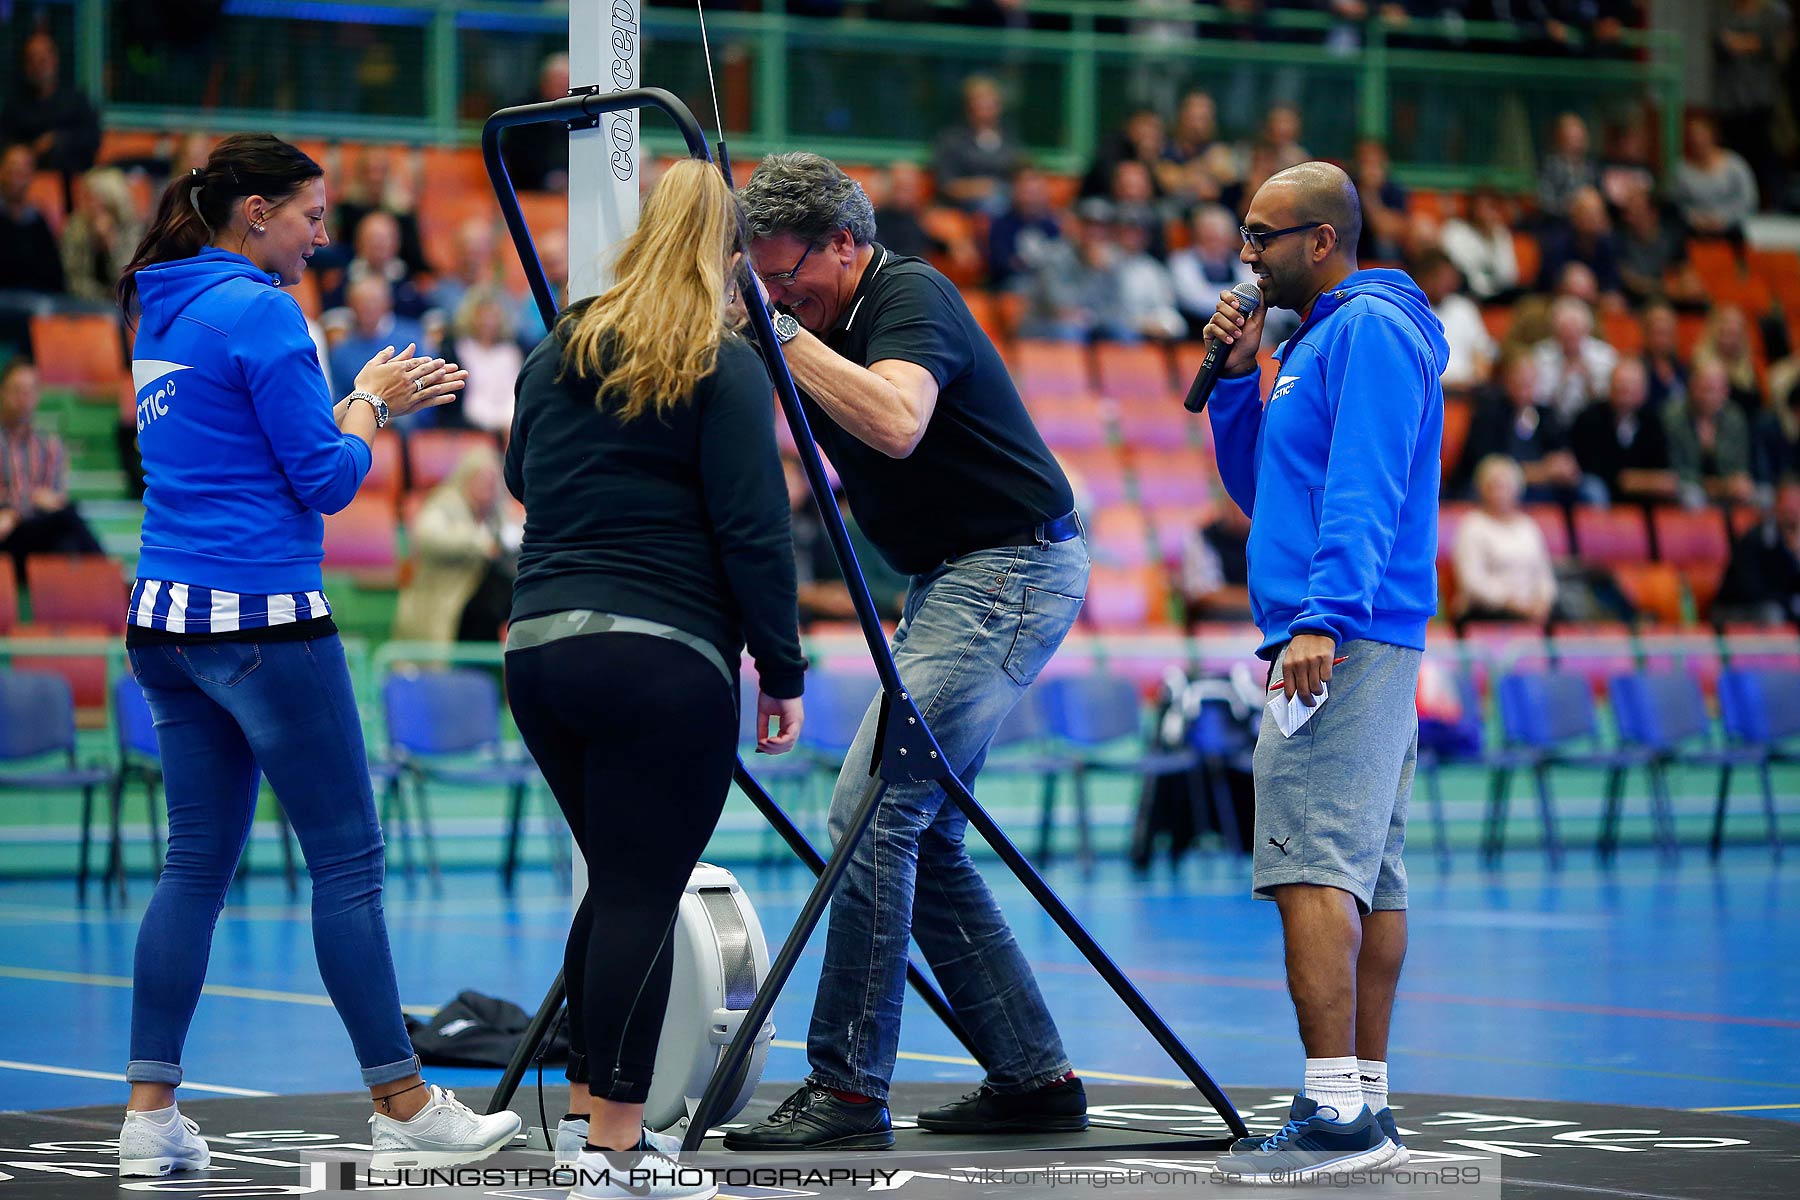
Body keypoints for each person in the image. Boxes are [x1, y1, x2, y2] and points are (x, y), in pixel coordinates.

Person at [113, 132, 517, 1176]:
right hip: (263, 619)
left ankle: (149, 1118)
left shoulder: (160, 302)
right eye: (311, 214)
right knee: (347, 858)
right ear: (255, 215)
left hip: (164, 619)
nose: (323, 234)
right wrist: (375, 400)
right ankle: (403, 1102)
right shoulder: (264, 312)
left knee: (193, 865)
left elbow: (261, 457)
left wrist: (352, 401)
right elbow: (330, 481)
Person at [731, 151, 1091, 1150]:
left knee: (869, 815)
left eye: (785, 270)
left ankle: (847, 1088)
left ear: (847, 242)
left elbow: (895, 420)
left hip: (1007, 569)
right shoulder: (819, 312)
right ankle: (1034, 1074)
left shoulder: (908, 292)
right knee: (919, 837)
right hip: (957, 576)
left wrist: (774, 330)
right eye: (755, 275)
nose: (773, 290)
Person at [503, 160, 802, 1198]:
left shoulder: (558, 347)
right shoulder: (721, 365)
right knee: (639, 889)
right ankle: (620, 1153)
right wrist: (783, 666)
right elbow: (756, 531)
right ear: (731, 256)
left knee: (612, 881)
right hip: (658, 654)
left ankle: (591, 1113)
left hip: (539, 648)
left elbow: (518, 477)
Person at [1203, 159, 1444, 1182]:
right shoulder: (1312, 341)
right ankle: (1368, 1103)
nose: (1245, 253)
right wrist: (1232, 379)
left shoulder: (1374, 331)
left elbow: (1365, 485)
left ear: (1322, 242)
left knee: (1310, 865)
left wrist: (1324, 619)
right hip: (1343, 630)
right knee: (1365, 874)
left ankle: (1335, 1111)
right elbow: (1270, 489)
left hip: (1337, 637)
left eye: (1263, 235)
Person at [390, 446, 509, 645]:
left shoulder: (494, 515)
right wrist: (477, 542)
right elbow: (426, 535)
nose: (487, 488)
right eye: (481, 480)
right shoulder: (446, 503)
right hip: (438, 601)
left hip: (478, 604)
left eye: (491, 482)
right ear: (466, 477)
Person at [0, 357, 104, 583]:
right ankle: (112, 583)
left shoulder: (50, 447)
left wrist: (15, 510)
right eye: (16, 390)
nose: (22, 398)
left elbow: (53, 502)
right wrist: (33, 499)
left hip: (37, 530)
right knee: (69, 519)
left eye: (29, 391)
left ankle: (95, 597)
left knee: (66, 536)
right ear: (2, 393)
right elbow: (41, 500)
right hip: (8, 540)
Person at [1456, 352, 1580, 503]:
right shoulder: (1489, 412)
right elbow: (1487, 465)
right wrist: (1539, 472)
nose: (1525, 390)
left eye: (1529, 384)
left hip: (1541, 489)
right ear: (1507, 382)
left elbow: (1563, 458)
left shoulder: (1546, 414)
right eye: (1520, 383)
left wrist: (1563, 467)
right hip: (1494, 489)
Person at [1453, 455, 1557, 629]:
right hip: (1489, 611)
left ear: (1517, 490)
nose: (1499, 493)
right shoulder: (1472, 525)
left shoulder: (1528, 526)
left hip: (1531, 608)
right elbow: (1472, 582)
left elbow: (1544, 575)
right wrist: (1511, 602)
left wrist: (1542, 602)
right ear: (1482, 489)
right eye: (1494, 486)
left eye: (1505, 486)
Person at [0, 32, 100, 199]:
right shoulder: (15, 104)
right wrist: (28, 151)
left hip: (71, 184)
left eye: (43, 59)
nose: (38, 65)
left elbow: (92, 139)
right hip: (25, 182)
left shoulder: (75, 99)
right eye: (32, 59)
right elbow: (5, 142)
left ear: (55, 59)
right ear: (26, 65)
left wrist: (57, 140)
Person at [1569, 358, 1678, 504]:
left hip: (1643, 493)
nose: (1624, 390)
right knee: (1594, 490)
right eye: (1620, 384)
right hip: (1604, 490)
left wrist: (1640, 481)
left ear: (1644, 391)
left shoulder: (1652, 421)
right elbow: (1588, 465)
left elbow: (1662, 465)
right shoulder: (1590, 417)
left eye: (1631, 385)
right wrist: (1627, 479)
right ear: (1610, 386)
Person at [1664, 355, 1755, 508]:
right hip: (1688, 487)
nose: (1708, 397)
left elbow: (1740, 465)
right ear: (1691, 386)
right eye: (1703, 389)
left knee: (1764, 497)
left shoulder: (1734, 417)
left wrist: (1740, 481)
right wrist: (1718, 486)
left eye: (1714, 390)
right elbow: (1675, 470)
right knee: (1692, 498)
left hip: (1727, 488)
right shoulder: (1672, 416)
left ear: (1726, 392)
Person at [931, 75, 1026, 215]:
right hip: (965, 208)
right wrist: (981, 188)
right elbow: (946, 184)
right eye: (979, 104)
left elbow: (1020, 172)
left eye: (990, 104)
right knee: (993, 204)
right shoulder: (952, 140)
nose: (985, 110)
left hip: (1009, 203)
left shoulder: (1010, 139)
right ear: (969, 107)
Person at [1713, 479, 1800, 627]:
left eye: (1797, 506)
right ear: (1775, 507)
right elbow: (1750, 591)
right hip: (1732, 610)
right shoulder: (1754, 539)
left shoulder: (1793, 544)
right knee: (1773, 613)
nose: (1792, 512)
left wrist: (1796, 557)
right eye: (1787, 506)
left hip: (1775, 605)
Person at [59, 168, 146, 304]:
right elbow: (74, 280)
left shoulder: (131, 228)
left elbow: (129, 282)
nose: (91, 206)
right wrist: (101, 299)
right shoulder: (75, 227)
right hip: (85, 304)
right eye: (87, 198)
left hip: (125, 303)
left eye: (98, 201)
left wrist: (111, 245)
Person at [1531, 295, 1618, 423]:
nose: (1571, 336)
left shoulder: (1605, 356)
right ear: (1555, 331)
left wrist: (1589, 380)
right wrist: (1562, 380)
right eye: (1565, 331)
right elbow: (1536, 403)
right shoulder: (1539, 355)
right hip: (1551, 424)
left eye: (1576, 331)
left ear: (1587, 329)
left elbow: (1612, 403)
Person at [1674, 113, 1759, 241]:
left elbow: (1749, 201)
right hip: (1694, 233)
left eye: (1701, 134)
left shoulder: (1735, 165)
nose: (1697, 140)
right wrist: (1694, 219)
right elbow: (1675, 204)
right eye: (1693, 136)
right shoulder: (1681, 170)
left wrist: (1723, 219)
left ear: (1712, 135)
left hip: (1731, 231)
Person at [0, 141, 64, 294]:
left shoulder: (38, 220)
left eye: (23, 170)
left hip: (36, 300)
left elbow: (54, 277)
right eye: (13, 169)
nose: (18, 176)